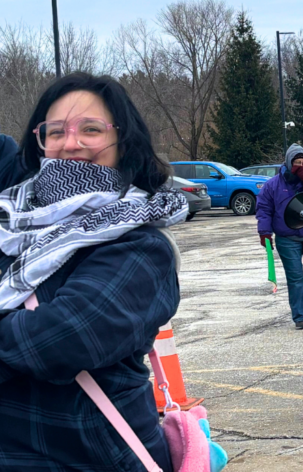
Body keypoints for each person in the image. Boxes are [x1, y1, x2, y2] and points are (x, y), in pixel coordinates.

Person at [0, 73, 188, 471]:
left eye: (91, 129)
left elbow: (63, 337)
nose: (71, 143)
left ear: (124, 141)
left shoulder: (139, 245)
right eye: (56, 131)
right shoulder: (11, 225)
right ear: (40, 143)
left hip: (87, 457)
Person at [256, 143, 303, 329]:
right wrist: (265, 232)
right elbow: (264, 209)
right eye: (296, 163)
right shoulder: (273, 185)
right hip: (286, 237)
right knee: (295, 277)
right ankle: (300, 316)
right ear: (288, 162)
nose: (300, 166)